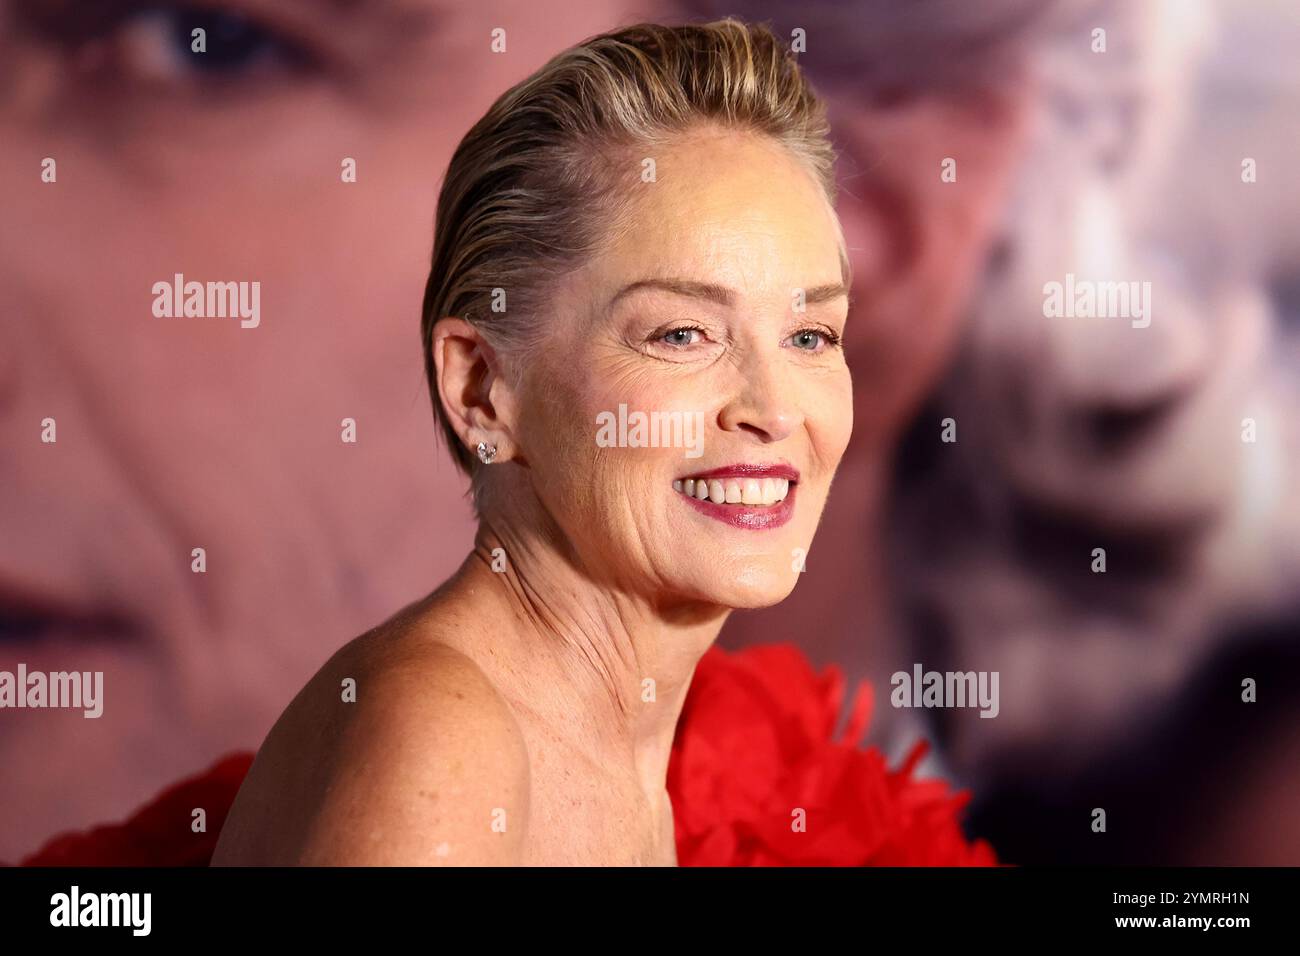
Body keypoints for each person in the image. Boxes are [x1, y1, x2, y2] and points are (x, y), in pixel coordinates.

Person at [211, 19, 857, 865]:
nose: (773, 409)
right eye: (680, 335)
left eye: (810, 335)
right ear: (483, 389)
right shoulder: (446, 737)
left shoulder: (610, 758)